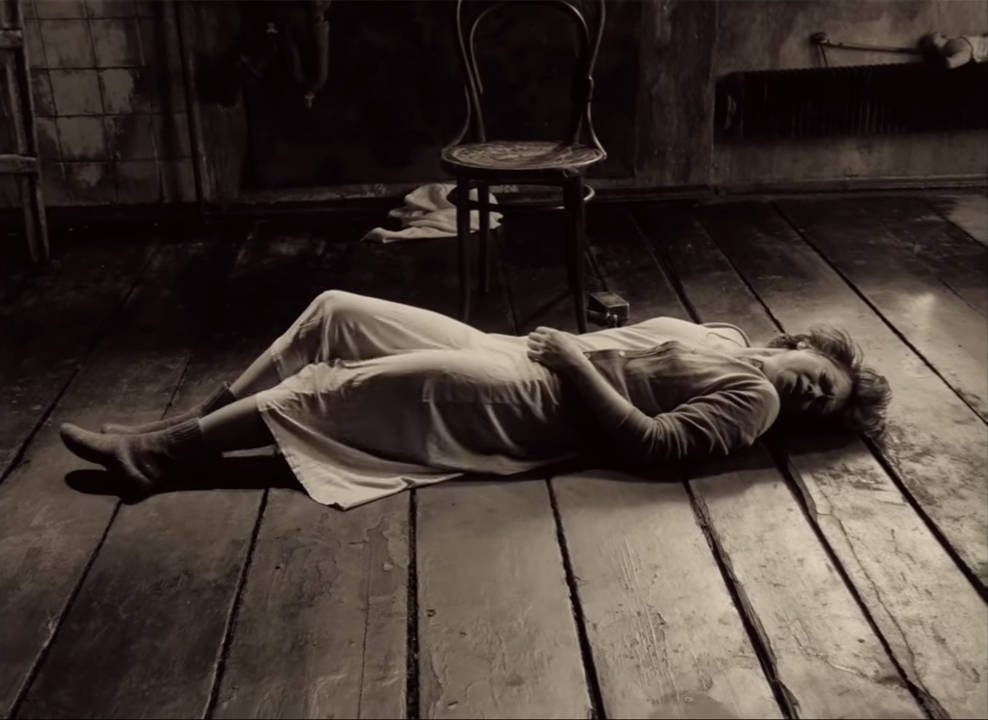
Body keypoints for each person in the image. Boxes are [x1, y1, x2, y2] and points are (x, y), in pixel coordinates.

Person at [60, 290, 891, 508]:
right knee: (337, 311)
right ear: (805, 343)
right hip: (521, 353)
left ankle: (160, 455)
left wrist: (575, 362)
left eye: (821, 403)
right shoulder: (729, 337)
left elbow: (653, 446)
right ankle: (187, 420)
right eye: (821, 375)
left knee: (345, 385)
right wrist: (593, 340)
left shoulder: (756, 401)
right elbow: (641, 357)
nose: (810, 392)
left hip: (540, 404)